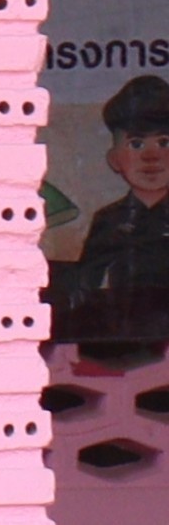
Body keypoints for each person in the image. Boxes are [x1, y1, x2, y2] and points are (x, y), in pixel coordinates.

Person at [58, 71, 169, 352]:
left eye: (164, 142)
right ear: (115, 159)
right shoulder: (109, 221)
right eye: (136, 144)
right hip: (123, 344)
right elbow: (84, 287)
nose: (151, 156)